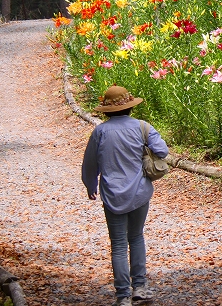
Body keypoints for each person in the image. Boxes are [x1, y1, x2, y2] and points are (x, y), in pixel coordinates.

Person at [82, 85, 169, 306]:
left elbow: (90, 164)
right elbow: (162, 151)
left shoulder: (100, 132)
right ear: (129, 107)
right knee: (137, 236)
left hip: (112, 194)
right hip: (140, 191)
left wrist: (90, 185)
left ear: (106, 111)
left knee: (119, 244)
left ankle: (123, 296)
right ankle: (139, 287)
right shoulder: (142, 127)